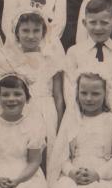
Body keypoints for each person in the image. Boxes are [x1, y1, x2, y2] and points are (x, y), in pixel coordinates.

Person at [5, 10, 66, 152]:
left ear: (43, 33)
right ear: (17, 33)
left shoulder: (51, 59)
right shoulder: (10, 60)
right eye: (25, 31)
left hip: (47, 110)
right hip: (21, 110)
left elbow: (58, 96)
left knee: (47, 147)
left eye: (36, 30)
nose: (31, 36)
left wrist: (60, 124)